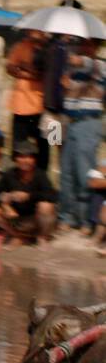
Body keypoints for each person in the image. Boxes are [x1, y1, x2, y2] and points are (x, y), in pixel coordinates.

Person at [57, 37, 104, 231]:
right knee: (65, 170)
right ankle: (67, 216)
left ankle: (86, 220)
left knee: (85, 171)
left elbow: (88, 64)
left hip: (88, 123)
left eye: (89, 44)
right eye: (82, 44)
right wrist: (66, 84)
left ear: (96, 46)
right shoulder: (70, 68)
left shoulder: (99, 65)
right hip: (67, 121)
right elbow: (66, 93)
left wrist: (78, 60)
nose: (84, 47)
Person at [0, 140, 58, 245]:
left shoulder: (40, 175)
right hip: (15, 218)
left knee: (46, 206)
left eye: (29, 157)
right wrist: (5, 200)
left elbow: (52, 196)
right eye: (21, 157)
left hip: (35, 219)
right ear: (15, 159)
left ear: (34, 159)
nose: (25, 161)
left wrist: (29, 196)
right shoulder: (9, 174)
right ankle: (17, 235)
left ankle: (42, 236)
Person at [6, 29, 49, 170]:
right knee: (19, 148)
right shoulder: (21, 46)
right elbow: (9, 67)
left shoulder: (49, 48)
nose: (33, 34)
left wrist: (25, 67)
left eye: (37, 31)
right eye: (31, 31)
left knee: (44, 147)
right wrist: (26, 72)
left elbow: (41, 74)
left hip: (43, 108)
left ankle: (41, 179)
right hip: (20, 106)